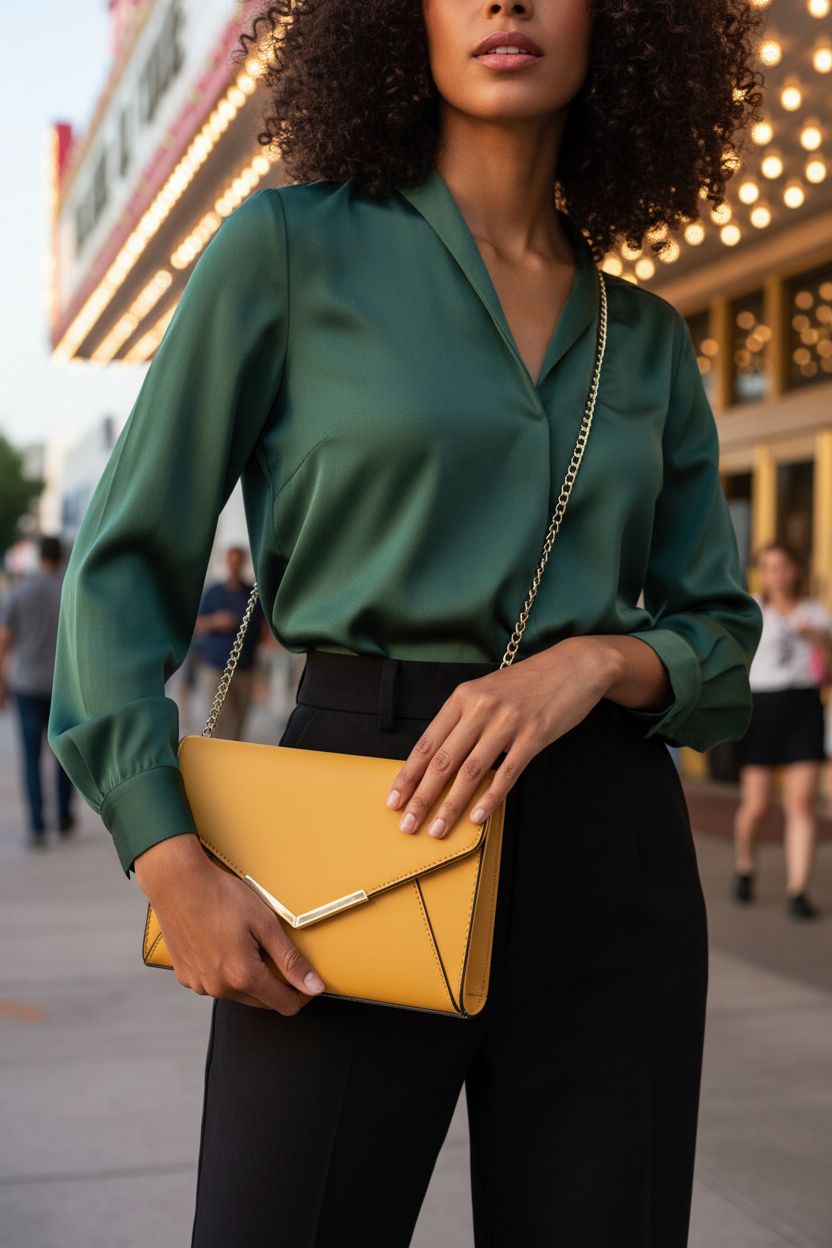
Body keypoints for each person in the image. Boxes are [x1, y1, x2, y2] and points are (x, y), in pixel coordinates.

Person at [48, 2, 765, 1244]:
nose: (503, 2)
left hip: (611, 854)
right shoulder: (285, 250)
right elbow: (122, 567)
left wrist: (595, 663)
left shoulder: (642, 339)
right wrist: (164, 850)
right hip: (353, 817)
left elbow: (717, 631)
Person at [733, 541, 832, 919]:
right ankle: (745, 866)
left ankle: (798, 891)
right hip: (763, 707)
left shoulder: (815, 611)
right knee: (757, 805)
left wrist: (819, 639)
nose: (776, 574)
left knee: (801, 803)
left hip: (804, 706)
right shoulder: (752, 609)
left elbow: (829, 669)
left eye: (783, 566)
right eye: (769, 567)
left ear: (795, 569)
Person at [0, 535, 75, 847]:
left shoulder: (19, 591)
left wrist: (2, 682)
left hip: (27, 684)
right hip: (63, 686)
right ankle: (63, 816)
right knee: (64, 755)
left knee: (31, 757)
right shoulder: (71, 591)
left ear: (38, 557)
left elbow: (5, 640)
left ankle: (36, 824)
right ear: (60, 557)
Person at [193, 545, 265, 740]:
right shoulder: (214, 592)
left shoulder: (252, 594)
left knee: (239, 723)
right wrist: (217, 621)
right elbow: (197, 623)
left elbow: (263, 628)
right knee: (218, 720)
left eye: (238, 562)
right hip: (216, 668)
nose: (234, 566)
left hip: (245, 668)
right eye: (231, 562)